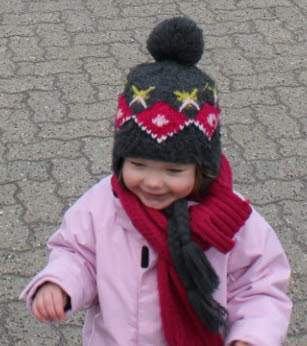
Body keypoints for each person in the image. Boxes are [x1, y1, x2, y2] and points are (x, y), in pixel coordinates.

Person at [21, 17, 293, 346]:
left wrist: (251, 338)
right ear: (120, 160)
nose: (152, 183)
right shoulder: (102, 205)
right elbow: (78, 255)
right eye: (138, 165)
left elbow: (259, 287)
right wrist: (59, 284)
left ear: (202, 168)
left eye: (173, 171)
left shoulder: (231, 219)